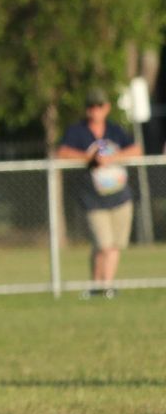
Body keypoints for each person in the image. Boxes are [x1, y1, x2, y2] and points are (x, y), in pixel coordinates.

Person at [56, 90, 142, 297]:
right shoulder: (77, 131)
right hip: (93, 198)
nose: (95, 111)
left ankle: (106, 286)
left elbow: (136, 150)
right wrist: (90, 158)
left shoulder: (115, 130)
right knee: (103, 243)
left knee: (115, 245)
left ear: (107, 108)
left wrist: (113, 157)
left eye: (99, 106)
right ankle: (97, 284)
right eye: (91, 107)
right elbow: (62, 153)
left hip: (119, 196)